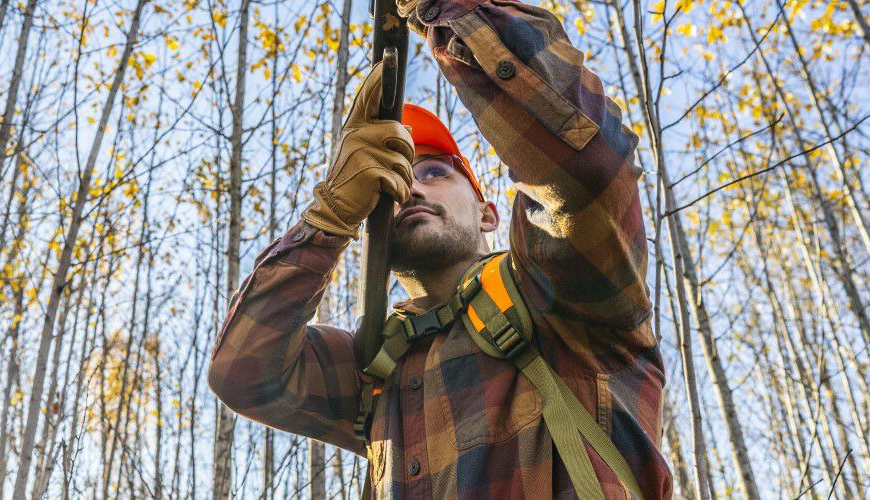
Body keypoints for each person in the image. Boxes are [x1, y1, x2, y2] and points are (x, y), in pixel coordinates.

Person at [208, 0, 672, 496]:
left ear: (488, 213)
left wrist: (452, 10)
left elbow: (588, 172)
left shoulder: (555, 292)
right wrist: (328, 218)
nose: (411, 188)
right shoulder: (375, 366)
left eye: (434, 172)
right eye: (396, 182)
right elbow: (243, 372)